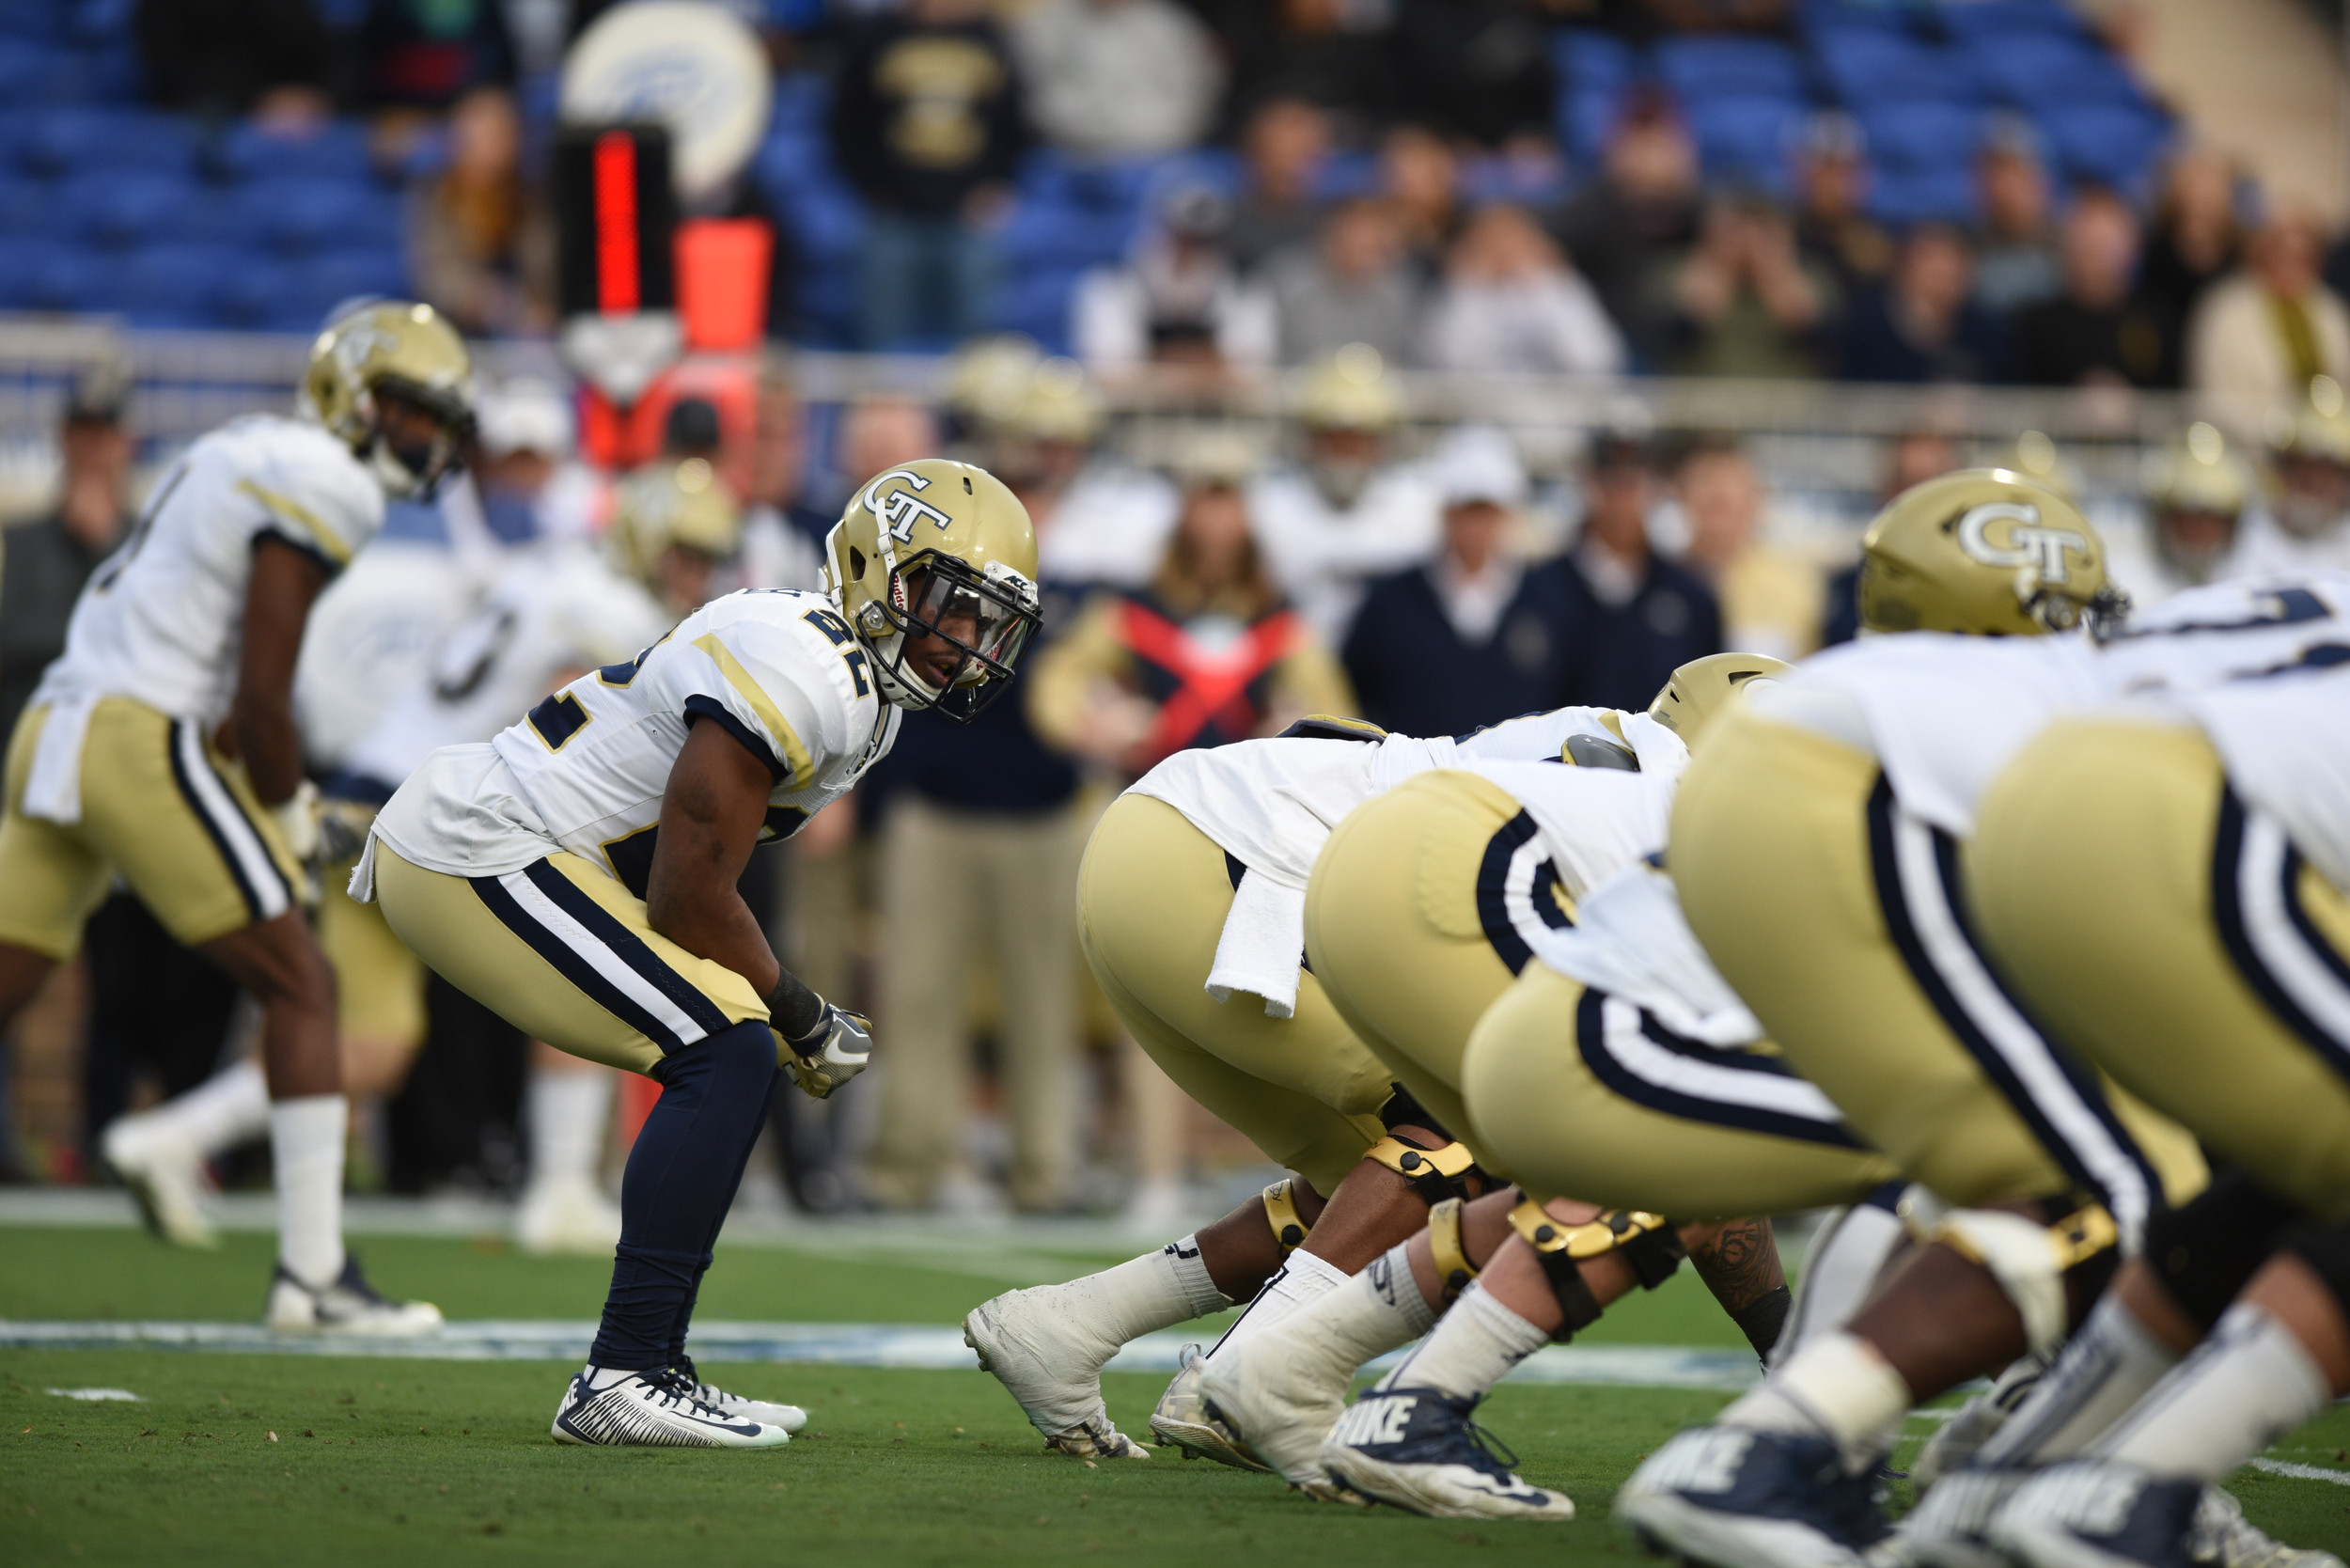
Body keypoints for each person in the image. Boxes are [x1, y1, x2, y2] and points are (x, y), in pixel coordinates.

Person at [359, 457, 1042, 1447]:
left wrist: (782, 1012)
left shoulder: (861, 693)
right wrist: (800, 1009)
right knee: (727, 1048)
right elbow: (685, 897)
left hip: (530, 850)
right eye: (949, 602)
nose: (965, 641)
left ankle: (652, 1362)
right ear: (876, 571)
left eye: (989, 621)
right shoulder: (806, 670)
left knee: (730, 1046)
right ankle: (625, 1370)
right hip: (484, 845)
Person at [964, 674, 1752, 1465]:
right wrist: (1788, 1340)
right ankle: (1240, 1382)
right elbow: (1707, 1139)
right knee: (1477, 1125)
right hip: (1233, 865)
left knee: (1385, 1190)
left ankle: (1069, 1325)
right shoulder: (1655, 798)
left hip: (1168, 853)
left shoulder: (1617, 759)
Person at [0, 302, 475, 1328]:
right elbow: (260, 696)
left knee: (11, 976)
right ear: (351, 399)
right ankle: (312, 1275)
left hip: (56, 727)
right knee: (305, 984)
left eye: (434, 418)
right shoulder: (328, 484)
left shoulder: (240, 446)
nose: (423, 438)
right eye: (407, 409)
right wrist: (287, 807)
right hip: (135, 735)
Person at [1936, 589, 2350, 1568]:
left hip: (2036, 799)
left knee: (2273, 1170)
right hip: (2187, 814)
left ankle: (2003, 1486)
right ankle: (2123, 1492)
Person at [1026, 461, 1352, 778]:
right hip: (1149, 789)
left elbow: (1334, 708)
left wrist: (1301, 733)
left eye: (1228, 504)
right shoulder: (1133, 609)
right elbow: (1060, 672)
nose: (1216, 522)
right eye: (1206, 503)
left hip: (1252, 796)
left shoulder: (1280, 619)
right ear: (1184, 510)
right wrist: (1089, 728)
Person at [1340, 427, 1591, 736]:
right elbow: (1354, 695)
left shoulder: (1552, 603)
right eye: (1466, 511)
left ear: (1507, 514)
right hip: (1418, 781)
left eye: (1486, 511)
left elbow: (1574, 698)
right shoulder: (1390, 603)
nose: (1476, 526)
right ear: (1445, 512)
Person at [829, 0, 1026, 350]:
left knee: (975, 341)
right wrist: (871, 188)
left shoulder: (990, 38)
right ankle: (881, 402)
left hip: (967, 215)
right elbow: (846, 123)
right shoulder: (878, 36)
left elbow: (1015, 122)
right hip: (894, 213)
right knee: (880, 335)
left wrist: (999, 183)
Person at [1247, 346, 1443, 646]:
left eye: (1359, 440)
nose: (1347, 455)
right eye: (1335, 439)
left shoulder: (1418, 506)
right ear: (1310, 439)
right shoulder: (1269, 505)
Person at [1562, 432, 1722, 711]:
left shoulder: (1691, 598)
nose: (1623, 500)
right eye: (1612, 484)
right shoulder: (1540, 592)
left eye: (1633, 484)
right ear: (1589, 485)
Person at [1555, 88, 1702, 370]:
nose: (1650, 159)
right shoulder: (1594, 203)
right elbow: (1545, 245)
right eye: (1640, 144)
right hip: (1607, 349)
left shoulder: (1702, 213)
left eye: (1661, 144)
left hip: (1679, 350)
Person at [1071, 185, 1277, 374]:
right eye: (1182, 241)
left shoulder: (1244, 287)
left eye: (1202, 244)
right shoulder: (1111, 284)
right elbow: (1111, 374)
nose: (1191, 257)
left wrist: (1157, 363)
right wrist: (1204, 364)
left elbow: (1249, 374)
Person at [407, 86, 555, 338]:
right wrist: (499, 306)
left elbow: (547, 271)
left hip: (533, 338)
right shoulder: (437, 196)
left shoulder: (531, 197)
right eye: (480, 136)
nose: (491, 145)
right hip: (459, 334)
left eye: (499, 135)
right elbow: (439, 281)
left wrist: (540, 309)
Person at [1416, 203, 1623, 377]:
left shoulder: (1562, 287)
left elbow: (1596, 360)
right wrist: (1468, 287)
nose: (1504, 249)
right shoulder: (1461, 289)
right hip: (1478, 413)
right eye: (1492, 240)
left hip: (1556, 414)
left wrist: (1546, 291)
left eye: (1514, 238)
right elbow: (1444, 361)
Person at [1010, 0, 1222, 161]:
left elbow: (1194, 100)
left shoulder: (1171, 27)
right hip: (1065, 158)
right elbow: (1036, 95)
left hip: (1153, 159)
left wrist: (1142, 135)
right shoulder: (1049, 25)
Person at [1672, 436, 1822, 663]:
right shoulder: (1659, 582)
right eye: (1708, 491)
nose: (1720, 498)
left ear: (1757, 499)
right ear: (1682, 497)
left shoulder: (1796, 586)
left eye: (1730, 497)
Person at [2187, 204, 2350, 411]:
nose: (2291, 267)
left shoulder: (2330, 310)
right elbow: (2215, 394)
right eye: (2282, 254)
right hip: (2250, 436)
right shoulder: (2226, 310)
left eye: (2302, 257)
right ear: (2262, 252)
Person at [2010, 187, 2170, 388]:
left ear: (2133, 247)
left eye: (2106, 242)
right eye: (2088, 242)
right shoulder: (2038, 327)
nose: (2097, 256)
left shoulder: (2157, 319)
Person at [1665, 192, 1837, 379]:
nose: (1749, 245)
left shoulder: (1814, 278)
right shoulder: (1678, 274)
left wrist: (1782, 287)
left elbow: (1833, 352)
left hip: (1791, 403)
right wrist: (1697, 304)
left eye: (1765, 235)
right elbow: (1661, 349)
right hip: (1699, 402)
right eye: (1731, 232)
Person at [2101, 422, 2255, 606]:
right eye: (2189, 521)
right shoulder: (2124, 588)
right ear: (2162, 520)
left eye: (2213, 522)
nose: (2200, 537)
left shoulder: (2252, 582)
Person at [1840, 223, 2006, 384]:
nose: (1943, 280)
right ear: (1905, 269)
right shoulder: (1866, 330)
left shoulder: (1987, 333)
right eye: (1934, 271)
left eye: (1952, 273)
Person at [1266, 197, 1419, 368]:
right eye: (1358, 234)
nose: (1367, 248)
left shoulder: (1398, 291)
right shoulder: (1286, 280)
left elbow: (1409, 363)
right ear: (1331, 237)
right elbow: (1259, 354)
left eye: (1375, 243)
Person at [2137, 147, 2241, 388]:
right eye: (2194, 184)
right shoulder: (2153, 255)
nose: (2203, 196)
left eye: (2212, 184)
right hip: (2164, 376)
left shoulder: (2238, 261)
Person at [2238, 377, 2350, 576]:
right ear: (2281, 470)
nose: (2313, 484)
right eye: (2303, 470)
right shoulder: (2240, 538)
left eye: (2327, 474)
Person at [1225, 96, 1332, 276]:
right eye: (1292, 151)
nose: (1302, 166)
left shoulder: (1329, 229)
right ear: (1255, 150)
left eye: (1312, 155)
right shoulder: (1221, 222)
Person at [1793, 112, 1892, 297]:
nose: (1835, 183)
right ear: (1801, 173)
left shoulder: (1882, 249)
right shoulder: (1785, 241)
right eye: (1826, 168)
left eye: (1846, 170)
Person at [1971, 118, 2062, 317]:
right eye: (1995, 175)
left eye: (2017, 175)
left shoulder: (2071, 249)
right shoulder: (1966, 251)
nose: (2004, 189)